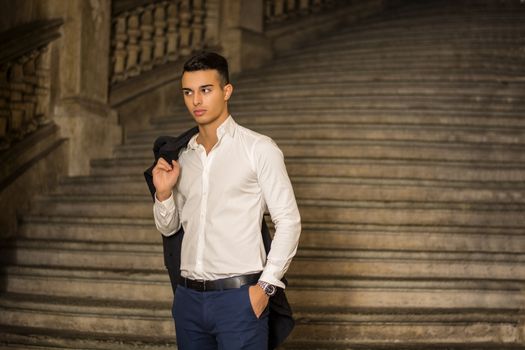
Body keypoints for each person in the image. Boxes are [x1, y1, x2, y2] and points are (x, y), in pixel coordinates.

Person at [151, 51, 301, 350]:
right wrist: (164, 194)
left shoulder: (258, 149)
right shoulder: (182, 157)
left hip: (239, 300)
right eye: (188, 92)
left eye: (205, 90)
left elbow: (289, 221)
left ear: (226, 91)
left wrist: (265, 287)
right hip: (188, 300)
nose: (196, 101)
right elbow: (169, 229)